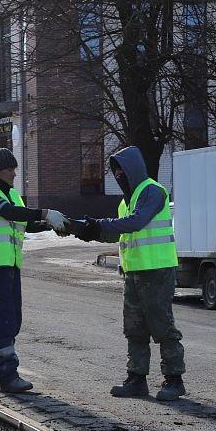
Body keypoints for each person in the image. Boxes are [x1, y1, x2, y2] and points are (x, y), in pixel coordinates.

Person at [69, 146, 186, 401]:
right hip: (134, 273)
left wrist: (98, 225)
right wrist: (88, 230)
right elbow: (120, 231)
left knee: (162, 326)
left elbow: (136, 222)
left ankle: (174, 380)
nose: (119, 175)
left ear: (134, 169)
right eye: (115, 171)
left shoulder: (153, 191)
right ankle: (136, 378)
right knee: (134, 328)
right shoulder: (127, 201)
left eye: (121, 170)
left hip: (157, 270)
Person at [0, 148, 69, 393]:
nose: (14, 173)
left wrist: (47, 224)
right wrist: (45, 213)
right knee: (1, 321)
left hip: (10, 266)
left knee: (10, 321)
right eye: (10, 169)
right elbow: (9, 213)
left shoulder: (11, 194)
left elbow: (21, 223)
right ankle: (7, 374)